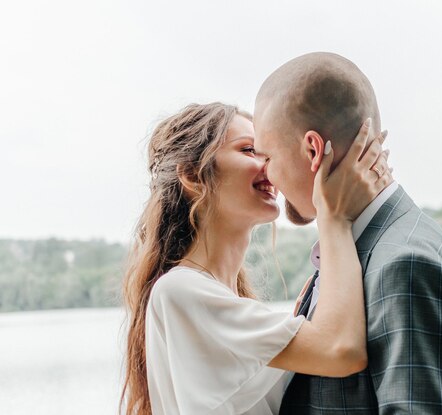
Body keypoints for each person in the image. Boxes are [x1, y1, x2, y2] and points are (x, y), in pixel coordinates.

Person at [252, 52, 442, 414]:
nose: (266, 174)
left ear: (312, 150)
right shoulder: (360, 250)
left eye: (267, 157)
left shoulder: (405, 266)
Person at [118, 102, 393, 415]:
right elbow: (340, 350)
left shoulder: (221, 299)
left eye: (268, 152)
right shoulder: (180, 290)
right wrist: (334, 219)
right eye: (249, 150)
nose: (270, 164)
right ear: (193, 176)